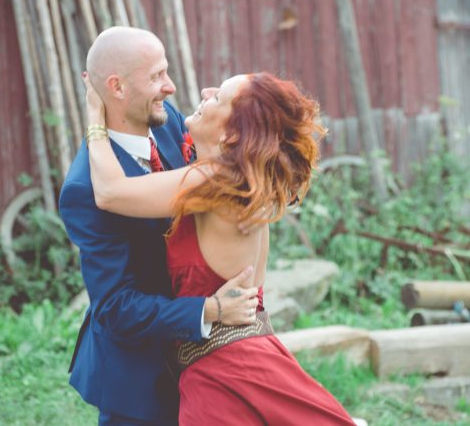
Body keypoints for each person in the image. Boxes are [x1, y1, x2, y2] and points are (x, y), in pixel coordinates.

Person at [83, 66, 357, 425]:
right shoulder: (244, 181)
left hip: (224, 372)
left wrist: (94, 116)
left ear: (231, 134)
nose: (205, 92)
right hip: (248, 358)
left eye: (219, 97)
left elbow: (109, 193)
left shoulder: (214, 180)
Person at [59, 26, 261, 426]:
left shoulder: (168, 122)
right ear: (116, 87)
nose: (170, 87)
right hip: (140, 380)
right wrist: (211, 309)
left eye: (166, 71)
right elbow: (114, 308)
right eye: (156, 76)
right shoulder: (84, 189)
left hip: (209, 362)